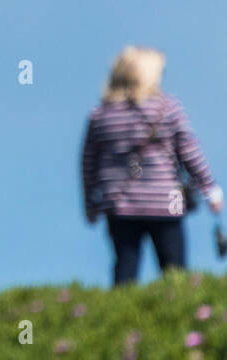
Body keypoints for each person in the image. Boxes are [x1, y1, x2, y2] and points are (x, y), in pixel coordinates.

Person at [81, 46, 223, 286]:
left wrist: (90, 202)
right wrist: (210, 188)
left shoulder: (101, 114)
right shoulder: (168, 108)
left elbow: (88, 163)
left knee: (125, 267)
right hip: (166, 201)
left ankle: (122, 316)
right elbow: (189, 151)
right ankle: (178, 313)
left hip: (119, 203)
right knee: (174, 270)